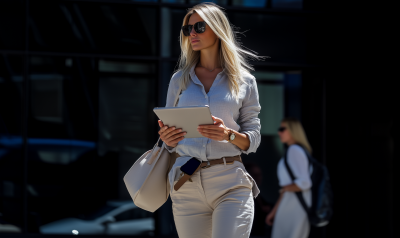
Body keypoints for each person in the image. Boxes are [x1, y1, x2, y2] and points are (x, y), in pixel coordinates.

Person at [157, 2, 264, 238]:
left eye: (199, 27)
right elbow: (169, 142)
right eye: (187, 29)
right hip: (186, 181)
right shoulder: (179, 80)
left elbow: (253, 139)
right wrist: (167, 138)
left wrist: (228, 134)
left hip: (230, 181)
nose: (192, 34)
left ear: (216, 29)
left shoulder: (244, 81)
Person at [266, 118, 313, 238]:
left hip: (294, 207)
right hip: (290, 205)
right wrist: (274, 212)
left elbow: (304, 183)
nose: (279, 133)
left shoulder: (294, 150)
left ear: (293, 130)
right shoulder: (296, 150)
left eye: (282, 129)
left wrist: (284, 189)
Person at [243, 162, 273, 237]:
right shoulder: (244, 196)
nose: (258, 178)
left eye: (260, 175)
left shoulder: (257, 195)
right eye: (255, 175)